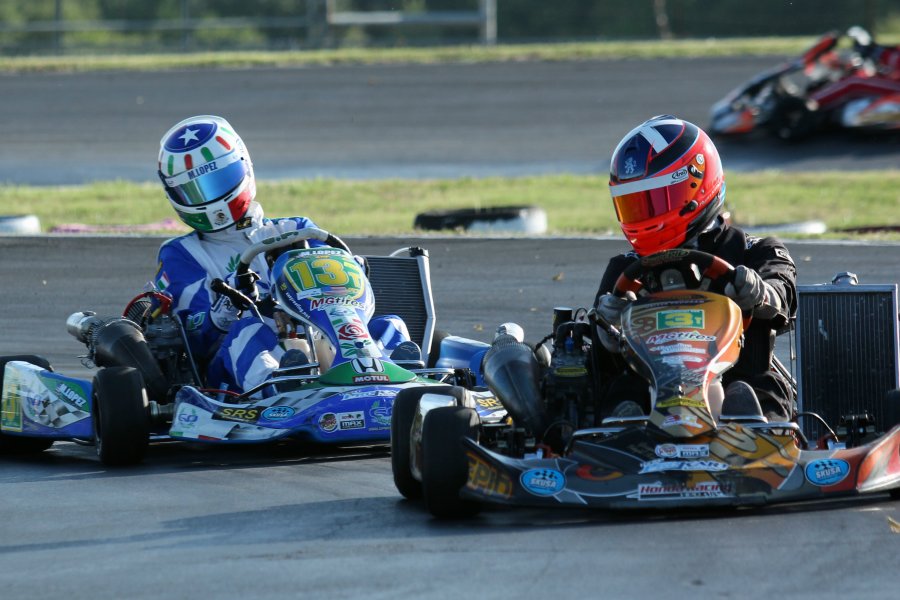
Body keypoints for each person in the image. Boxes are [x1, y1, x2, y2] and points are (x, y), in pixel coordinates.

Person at [153, 114, 415, 394]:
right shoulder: (182, 254)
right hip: (232, 371)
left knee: (390, 326)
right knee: (249, 332)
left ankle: (401, 381)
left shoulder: (297, 229)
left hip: (320, 341)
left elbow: (337, 283)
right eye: (195, 191)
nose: (211, 197)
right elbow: (192, 336)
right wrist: (225, 309)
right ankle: (280, 389)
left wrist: (351, 270)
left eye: (219, 180)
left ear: (244, 167)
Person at [593, 115, 797, 422]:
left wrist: (760, 293)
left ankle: (756, 438)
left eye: (652, 202)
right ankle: (618, 440)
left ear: (695, 189)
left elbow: (785, 294)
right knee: (620, 392)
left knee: (756, 391)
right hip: (652, 393)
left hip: (737, 383)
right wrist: (605, 331)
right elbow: (594, 363)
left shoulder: (754, 252)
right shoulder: (625, 269)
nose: (644, 216)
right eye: (633, 205)